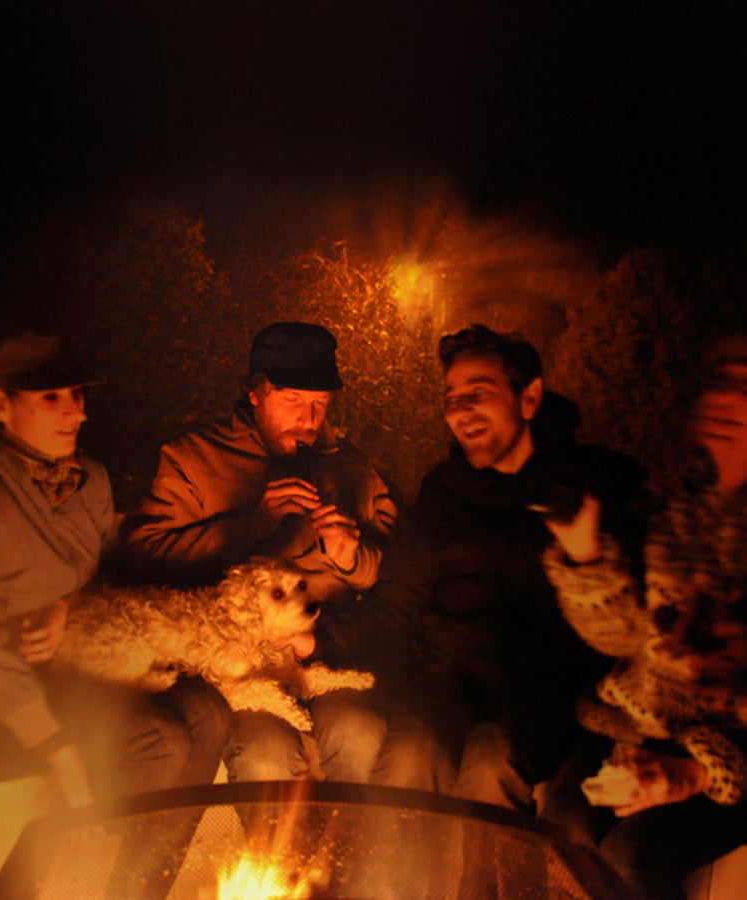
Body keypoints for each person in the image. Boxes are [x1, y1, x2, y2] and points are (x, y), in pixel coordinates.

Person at [0, 331, 230, 898]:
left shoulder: (91, 480)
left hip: (90, 669)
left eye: (77, 394)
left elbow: (110, 575)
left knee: (209, 713)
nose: (77, 412)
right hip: (8, 692)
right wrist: (58, 750)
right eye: (51, 398)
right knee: (159, 739)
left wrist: (67, 607)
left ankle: (138, 890)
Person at [374, 324, 647, 808]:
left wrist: (586, 554)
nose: (460, 411)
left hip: (537, 704)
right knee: (408, 754)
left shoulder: (587, 487)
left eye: (478, 392)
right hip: (443, 693)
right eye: (452, 398)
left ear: (529, 398)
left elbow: (625, 628)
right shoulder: (441, 496)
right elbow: (395, 601)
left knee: (489, 762)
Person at [122, 321, 399, 784]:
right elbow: (144, 557)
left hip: (327, 651)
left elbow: (397, 574)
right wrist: (250, 527)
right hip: (239, 664)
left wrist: (352, 558)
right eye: (293, 401)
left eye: (320, 404)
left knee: (360, 733)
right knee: (265, 754)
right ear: (255, 392)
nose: (309, 420)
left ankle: (350, 834)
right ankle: (278, 836)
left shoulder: (352, 466)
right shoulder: (194, 458)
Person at [543, 329, 747, 898]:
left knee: (631, 858)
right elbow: (623, 639)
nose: (726, 398)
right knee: (562, 829)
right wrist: (584, 555)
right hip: (643, 720)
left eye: (744, 383)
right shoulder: (672, 506)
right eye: (718, 381)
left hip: (734, 746)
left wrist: (700, 772)